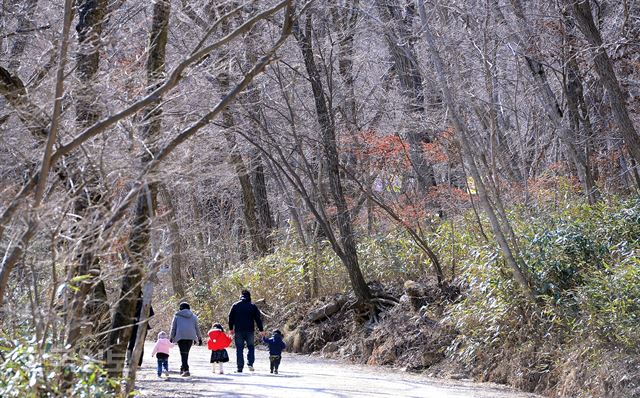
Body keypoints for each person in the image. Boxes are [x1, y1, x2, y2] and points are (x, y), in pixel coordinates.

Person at [228, 289, 264, 372]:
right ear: (249, 296)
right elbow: (258, 319)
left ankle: (239, 368)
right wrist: (261, 330)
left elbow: (230, 318)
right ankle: (250, 364)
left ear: (241, 296)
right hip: (250, 331)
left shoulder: (235, 305)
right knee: (251, 347)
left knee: (239, 349)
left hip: (238, 331)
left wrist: (231, 329)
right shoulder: (252, 306)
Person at [170, 302, 202, 377]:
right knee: (186, 352)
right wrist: (199, 338)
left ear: (180, 308)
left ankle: (186, 369)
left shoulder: (177, 316)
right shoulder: (194, 316)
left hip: (180, 336)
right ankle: (183, 367)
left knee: (183, 353)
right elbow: (197, 328)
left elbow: (173, 328)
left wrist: (171, 337)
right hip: (191, 336)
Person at [127, 294, 154, 366]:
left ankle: (128, 360)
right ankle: (138, 363)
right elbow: (151, 314)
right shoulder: (145, 302)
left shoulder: (129, 302)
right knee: (140, 344)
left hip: (131, 326)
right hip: (143, 326)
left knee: (131, 344)